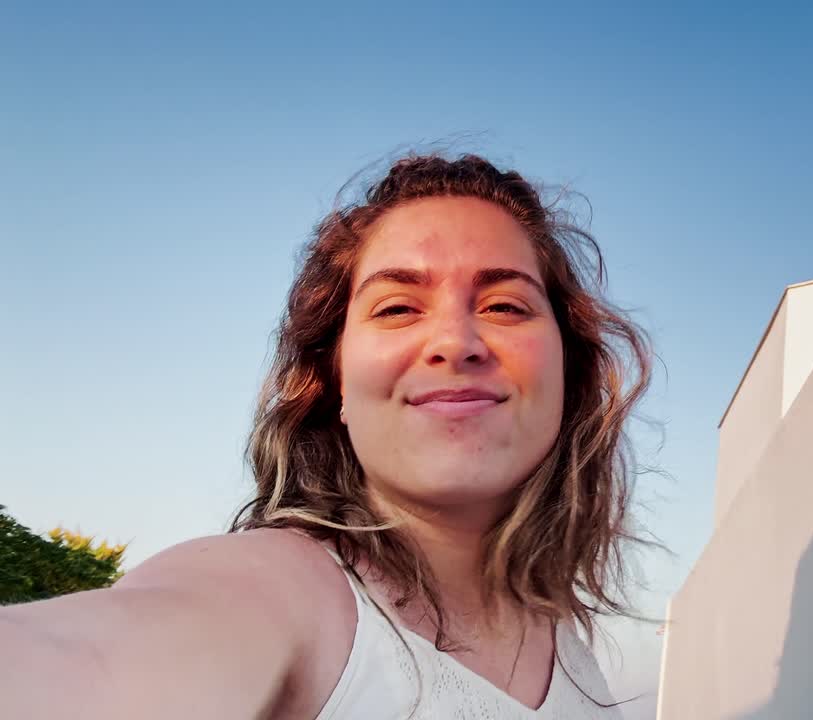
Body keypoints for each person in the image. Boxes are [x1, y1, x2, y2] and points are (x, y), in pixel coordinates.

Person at [0, 153, 653, 719]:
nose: (456, 342)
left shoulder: (571, 651)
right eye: (397, 307)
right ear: (333, 380)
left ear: (568, 369)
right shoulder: (278, 592)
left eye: (505, 306)